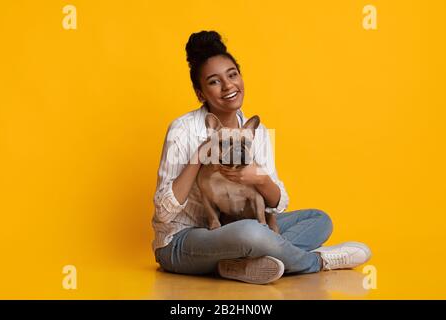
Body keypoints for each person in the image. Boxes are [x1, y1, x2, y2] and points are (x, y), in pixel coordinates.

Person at [152, 30, 371, 284]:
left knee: (319, 220)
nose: (228, 86)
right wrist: (199, 155)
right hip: (183, 241)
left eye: (232, 75)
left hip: (241, 225)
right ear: (200, 93)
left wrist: (258, 177)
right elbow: (163, 213)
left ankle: (236, 265)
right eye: (214, 81)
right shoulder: (183, 129)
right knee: (251, 233)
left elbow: (279, 204)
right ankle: (317, 261)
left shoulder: (258, 132)